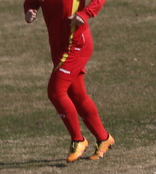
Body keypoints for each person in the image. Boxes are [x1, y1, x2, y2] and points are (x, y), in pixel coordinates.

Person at [23, 1, 114, 162]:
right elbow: (33, 1)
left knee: (56, 92)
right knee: (77, 95)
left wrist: (85, 13)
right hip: (58, 47)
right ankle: (104, 138)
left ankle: (78, 140)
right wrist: (30, 10)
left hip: (76, 45)